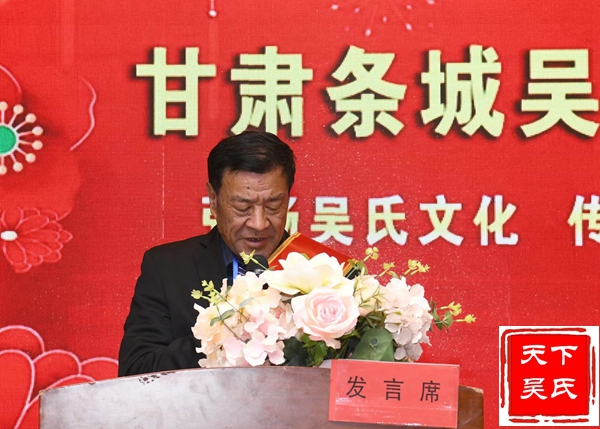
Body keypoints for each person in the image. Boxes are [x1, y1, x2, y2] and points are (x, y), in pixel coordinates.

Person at [118, 131, 295, 376]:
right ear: (213, 200)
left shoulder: (328, 275)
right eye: (243, 207)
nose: (259, 223)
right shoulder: (166, 269)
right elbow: (136, 370)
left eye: (273, 206)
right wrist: (225, 335)